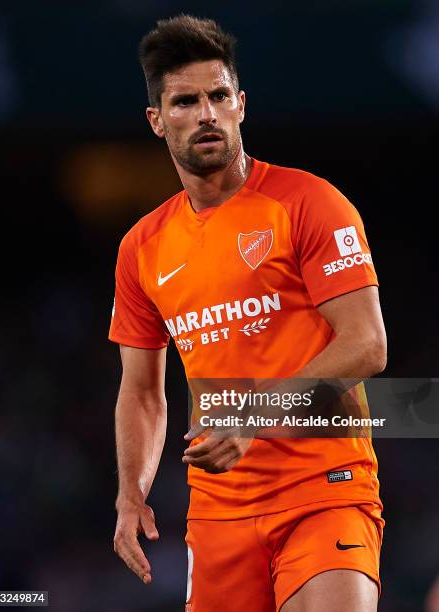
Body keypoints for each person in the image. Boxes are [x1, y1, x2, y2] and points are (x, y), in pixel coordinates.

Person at [109, 14, 387, 612]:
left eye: (218, 96)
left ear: (241, 105)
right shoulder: (141, 247)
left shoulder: (309, 202)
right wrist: (131, 492)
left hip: (324, 491)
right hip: (218, 514)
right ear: (158, 122)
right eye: (185, 101)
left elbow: (366, 343)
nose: (205, 113)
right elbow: (142, 393)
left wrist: (249, 417)